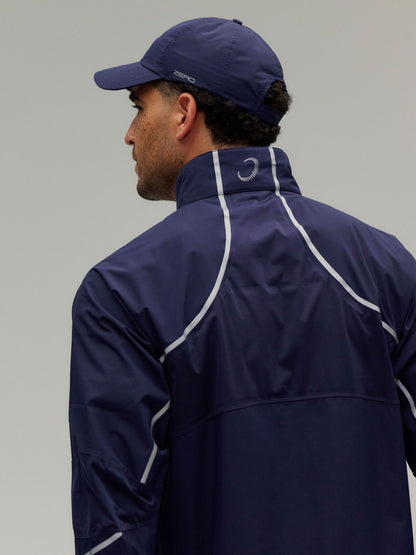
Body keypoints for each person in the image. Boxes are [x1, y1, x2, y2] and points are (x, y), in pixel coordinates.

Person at [69, 17, 416, 555]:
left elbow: (112, 530)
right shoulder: (386, 267)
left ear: (185, 112)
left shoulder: (122, 291)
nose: (130, 133)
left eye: (138, 107)